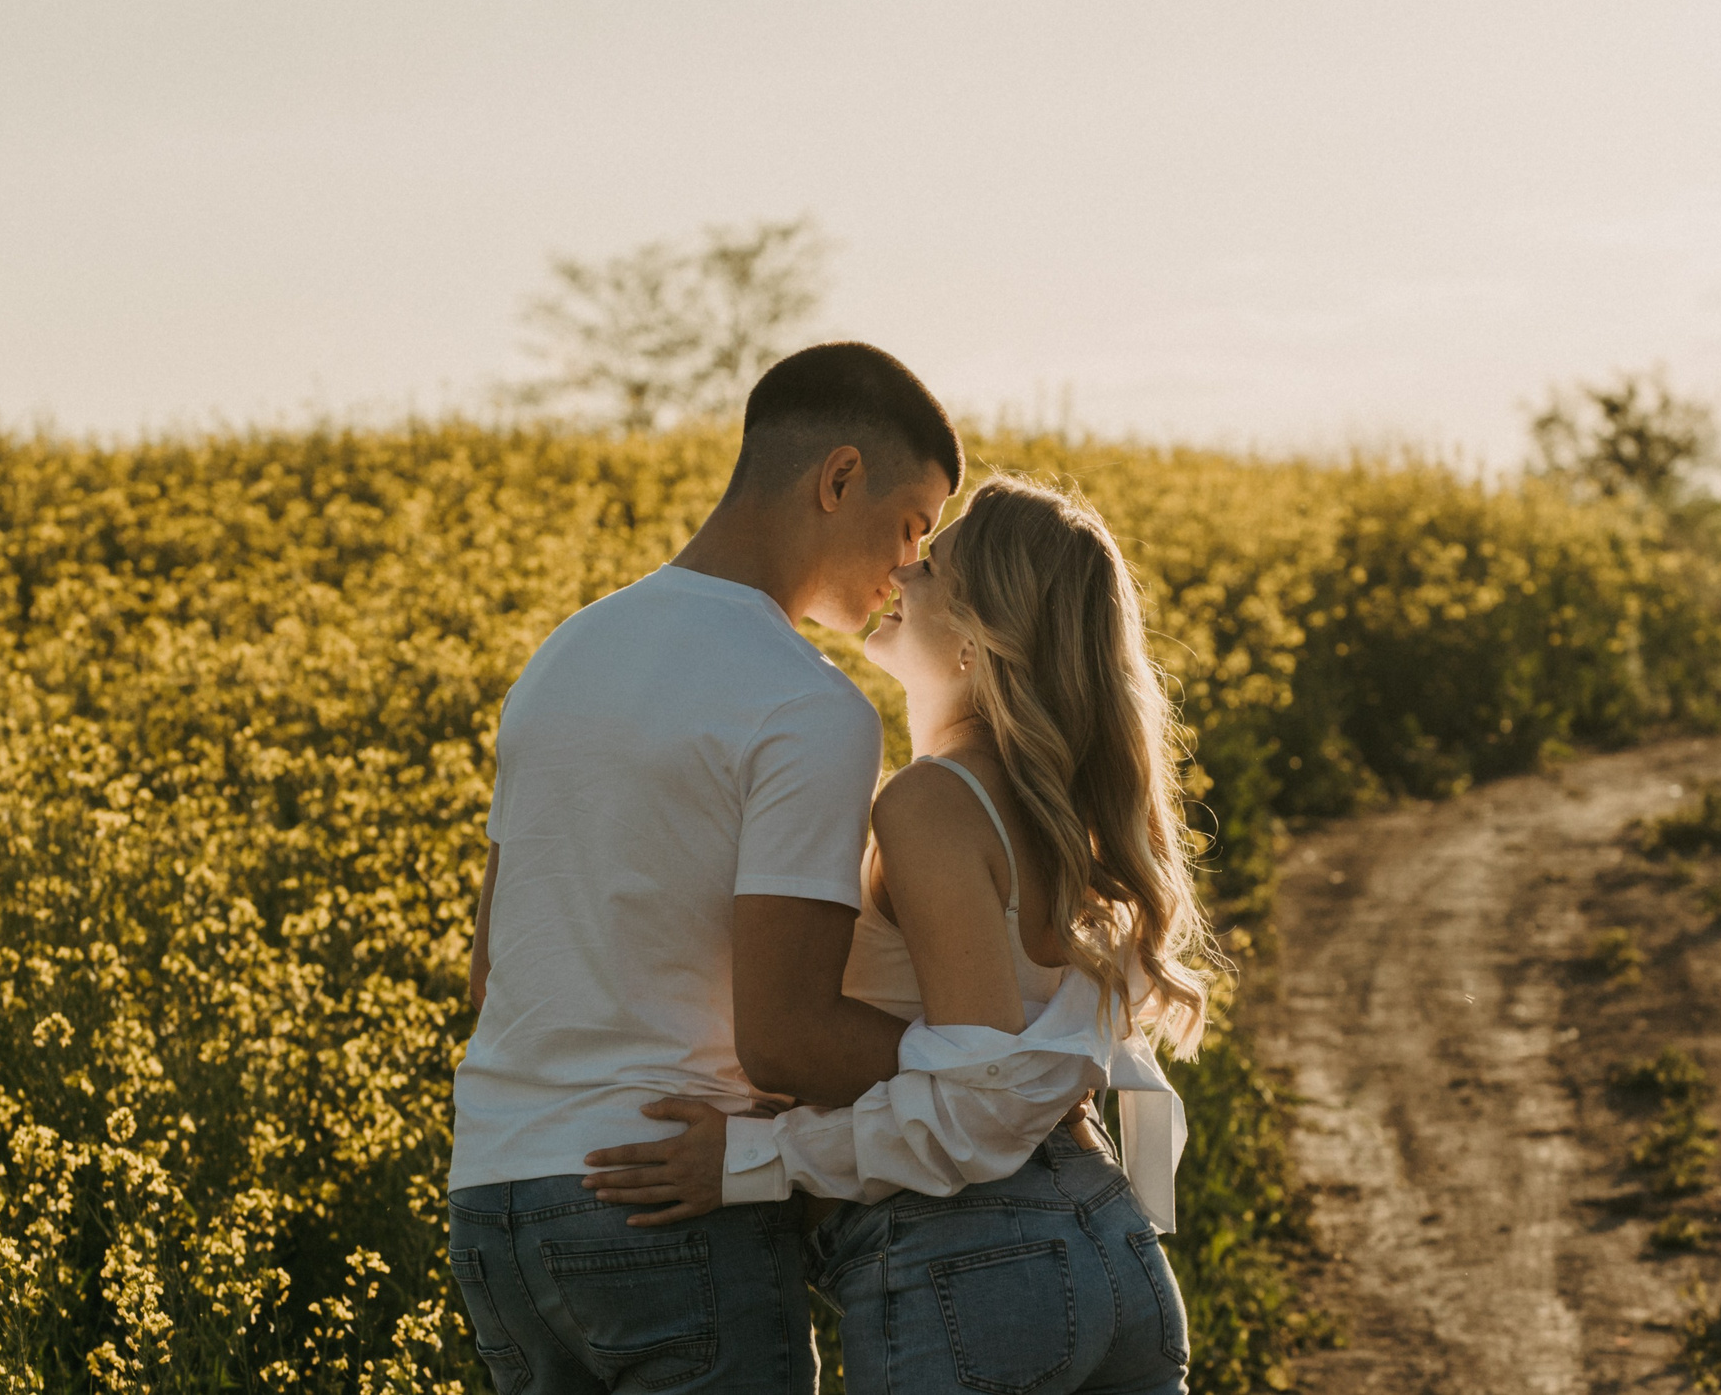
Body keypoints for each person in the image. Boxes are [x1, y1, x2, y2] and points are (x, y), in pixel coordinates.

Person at [581, 476, 1216, 1395]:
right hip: (1117, 1258)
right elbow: (1090, 1086)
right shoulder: (1064, 814)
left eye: (935, 563)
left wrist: (753, 1162)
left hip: (970, 1262)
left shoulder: (934, 802)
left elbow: (974, 1103)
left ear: (977, 632)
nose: (902, 567)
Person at [445, 342, 961, 1394]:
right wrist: (988, 1064)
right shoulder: (805, 704)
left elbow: (488, 975)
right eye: (912, 524)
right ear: (838, 477)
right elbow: (784, 1036)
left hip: (496, 1199)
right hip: (664, 1201)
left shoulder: (563, 654)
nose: (912, 566)